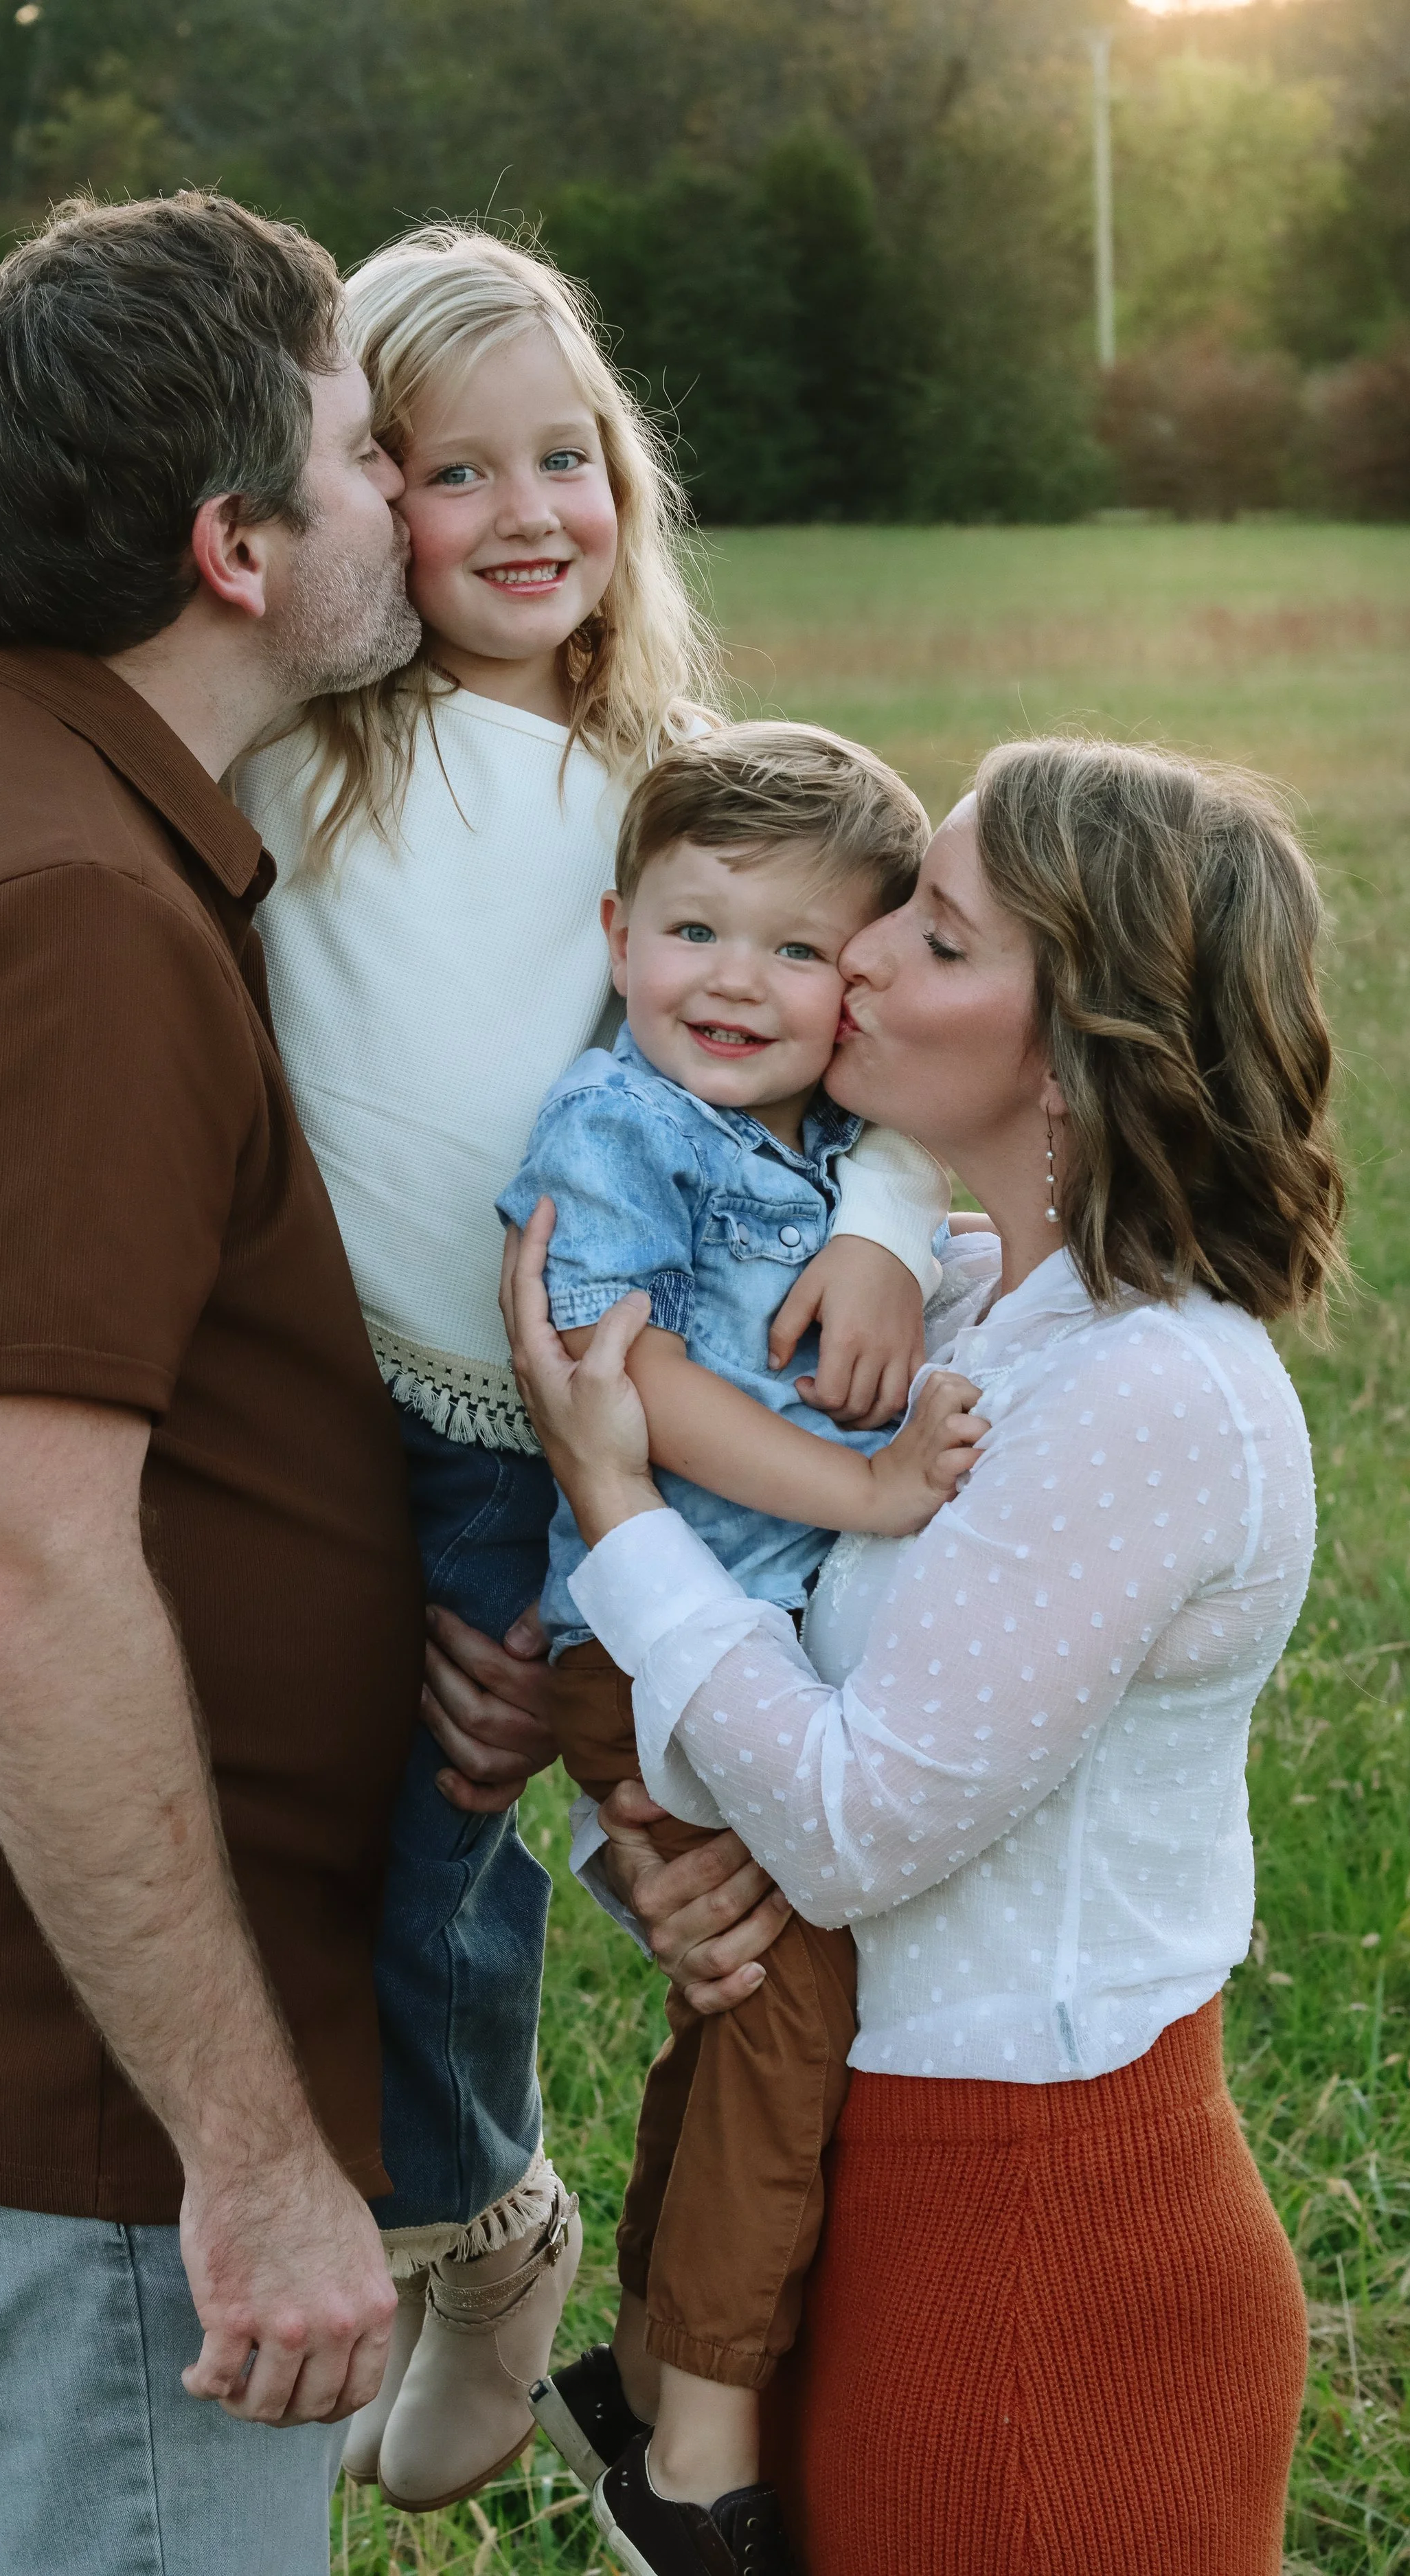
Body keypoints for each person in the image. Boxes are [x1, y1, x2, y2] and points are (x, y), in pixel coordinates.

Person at [0, 226, 944, 2511]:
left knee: (490, 1815)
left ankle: (526, 2199)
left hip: (551, 1421)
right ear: (266, 536)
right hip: (333, 1445)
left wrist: (886, 1217)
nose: (474, 510)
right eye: (400, 458)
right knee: (436, 1827)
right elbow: (40, 639)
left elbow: (860, 1014)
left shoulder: (648, 797)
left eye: (555, 458)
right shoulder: (245, 779)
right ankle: (489, 2219)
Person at [0, 192, 439, 2576]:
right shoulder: (60, 906)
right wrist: (242, 2154)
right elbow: (19, 1565)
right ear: (234, 547)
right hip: (91, 2124)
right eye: (360, 452)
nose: (404, 494)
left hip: (46, 2063)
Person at [505, 737, 1342, 2576]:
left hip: (1041, 2265)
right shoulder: (961, 1305)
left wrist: (611, 1500)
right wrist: (652, 1855)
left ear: (1083, 1050)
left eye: (936, 938)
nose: (859, 954)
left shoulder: (1152, 1394)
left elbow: (852, 1821)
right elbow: (783, 1680)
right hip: (869, 2193)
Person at [495, 722, 979, 2576]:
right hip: (644, 1636)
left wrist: (889, 1222)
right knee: (788, 2011)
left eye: (796, 950)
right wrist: (861, 1493)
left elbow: (937, 1144)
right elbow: (622, 1380)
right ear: (617, 934)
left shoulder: (841, 1136)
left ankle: (633, 2366)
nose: (734, 983)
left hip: (746, 1634)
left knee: (741, 2006)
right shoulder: (615, 1125)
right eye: (694, 931)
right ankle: (697, 2454)